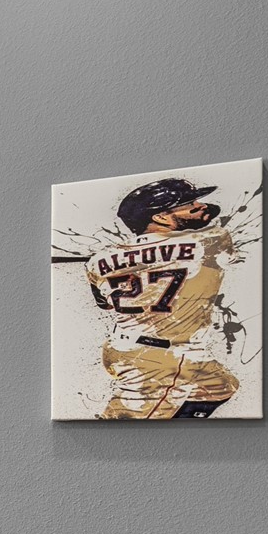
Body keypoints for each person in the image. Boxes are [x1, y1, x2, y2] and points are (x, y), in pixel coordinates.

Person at [83, 178, 243, 419]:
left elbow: (104, 303)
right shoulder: (212, 241)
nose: (200, 205)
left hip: (124, 345)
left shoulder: (97, 261)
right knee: (123, 427)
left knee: (219, 387)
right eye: (189, 202)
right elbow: (209, 217)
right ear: (160, 217)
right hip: (159, 358)